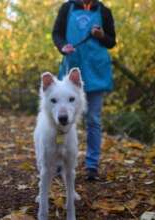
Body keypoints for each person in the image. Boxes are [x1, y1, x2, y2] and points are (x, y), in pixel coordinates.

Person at [52, 0, 116, 180]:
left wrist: (102, 35)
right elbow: (56, 34)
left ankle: (92, 166)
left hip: (96, 71)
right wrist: (62, 46)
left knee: (93, 120)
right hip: (71, 72)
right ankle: (58, 162)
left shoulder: (103, 11)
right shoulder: (67, 8)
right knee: (62, 120)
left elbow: (111, 41)